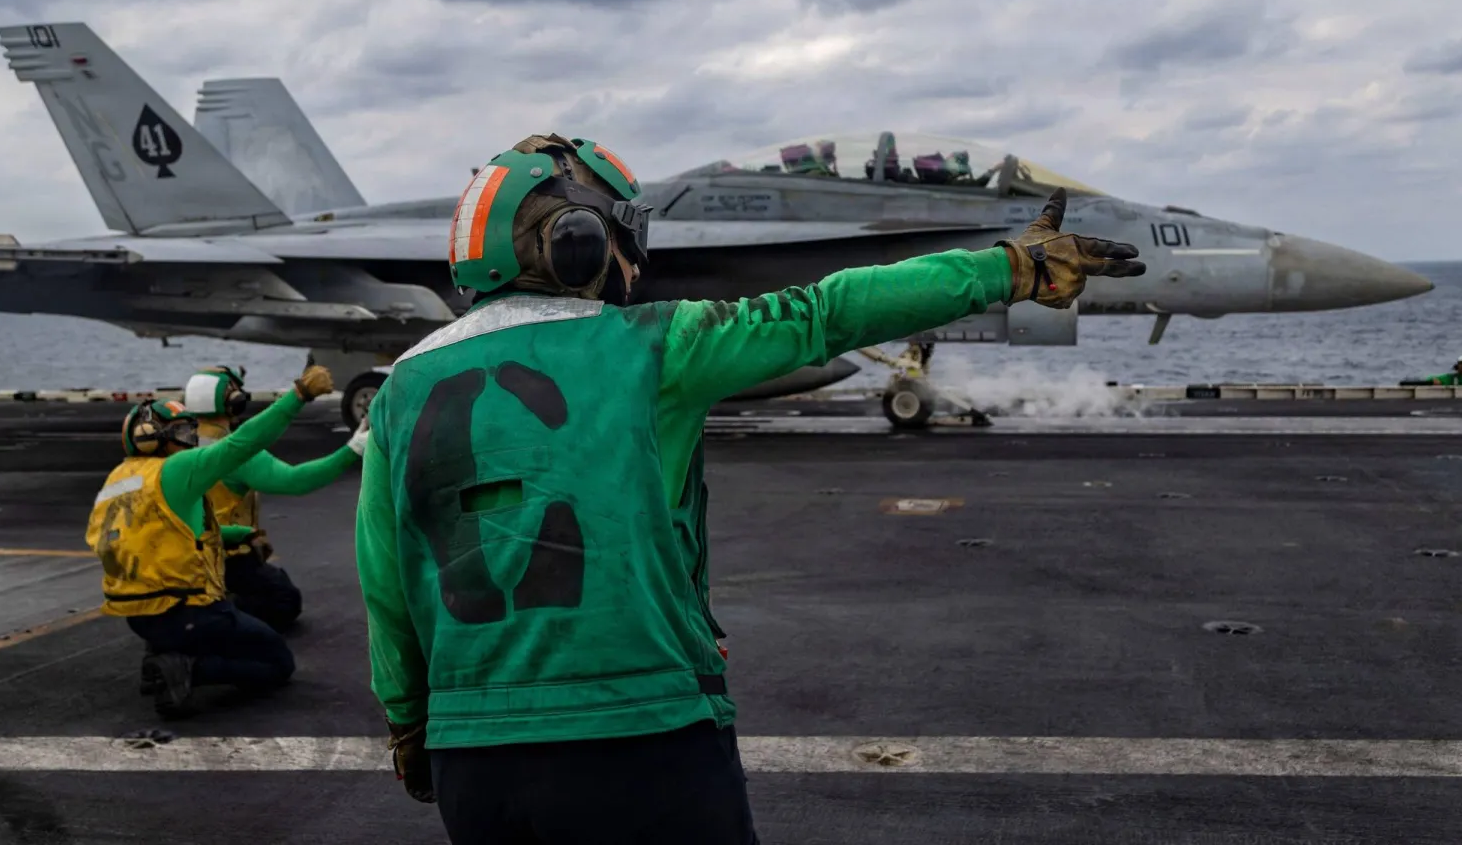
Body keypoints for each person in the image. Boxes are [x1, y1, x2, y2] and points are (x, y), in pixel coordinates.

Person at [354, 133, 1146, 843]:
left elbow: (384, 583)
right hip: (643, 739)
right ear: (577, 243)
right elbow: (830, 313)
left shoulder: (399, 390)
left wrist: (410, 725)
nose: (633, 262)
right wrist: (1012, 266)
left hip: (474, 765)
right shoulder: (654, 345)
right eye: (622, 237)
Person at [85, 366, 335, 717]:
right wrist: (300, 395)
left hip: (139, 614)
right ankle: (187, 669)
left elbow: (172, 533)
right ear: (151, 437)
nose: (189, 439)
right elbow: (244, 442)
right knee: (278, 662)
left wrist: (238, 533)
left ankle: (165, 654)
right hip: (186, 609)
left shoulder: (122, 476)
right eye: (180, 433)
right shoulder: (177, 469)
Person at [181, 364, 370, 632]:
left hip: (181, 555)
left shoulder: (176, 445)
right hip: (225, 556)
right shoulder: (234, 454)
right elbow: (296, 481)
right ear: (233, 403)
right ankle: (215, 610)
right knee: (284, 600)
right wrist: (353, 449)